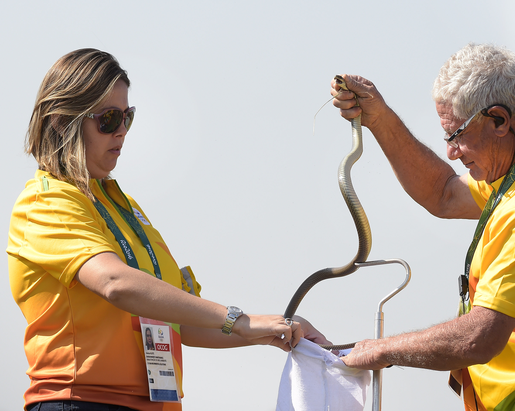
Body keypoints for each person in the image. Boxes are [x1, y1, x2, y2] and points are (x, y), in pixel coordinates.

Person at [7, 48, 327, 411]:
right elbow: (115, 283)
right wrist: (239, 321)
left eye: (128, 117)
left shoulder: (122, 206)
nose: (123, 131)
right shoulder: (46, 202)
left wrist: (268, 329)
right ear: (62, 121)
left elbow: (181, 322)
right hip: (83, 402)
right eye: (109, 119)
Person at [331, 43, 515, 410]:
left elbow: (479, 338)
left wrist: (380, 349)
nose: (451, 151)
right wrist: (379, 118)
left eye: (455, 135)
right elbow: (444, 193)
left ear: (499, 120)